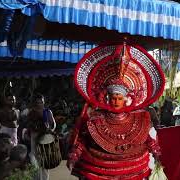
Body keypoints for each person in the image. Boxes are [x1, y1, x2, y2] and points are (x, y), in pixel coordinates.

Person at [67, 42, 166, 179]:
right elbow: (83, 140)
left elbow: (147, 139)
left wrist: (156, 153)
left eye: (119, 98)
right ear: (108, 98)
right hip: (100, 170)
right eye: (113, 98)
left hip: (133, 170)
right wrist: (74, 155)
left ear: (125, 99)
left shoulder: (139, 118)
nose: (116, 101)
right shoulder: (96, 119)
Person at [27, 94, 56, 180]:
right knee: (34, 160)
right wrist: (34, 127)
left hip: (45, 137)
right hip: (35, 136)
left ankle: (45, 178)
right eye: (37, 102)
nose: (39, 104)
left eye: (41, 102)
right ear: (35, 103)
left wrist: (50, 129)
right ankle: (36, 178)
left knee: (45, 160)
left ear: (44, 103)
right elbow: (28, 124)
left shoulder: (47, 111)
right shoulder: (31, 112)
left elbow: (53, 124)